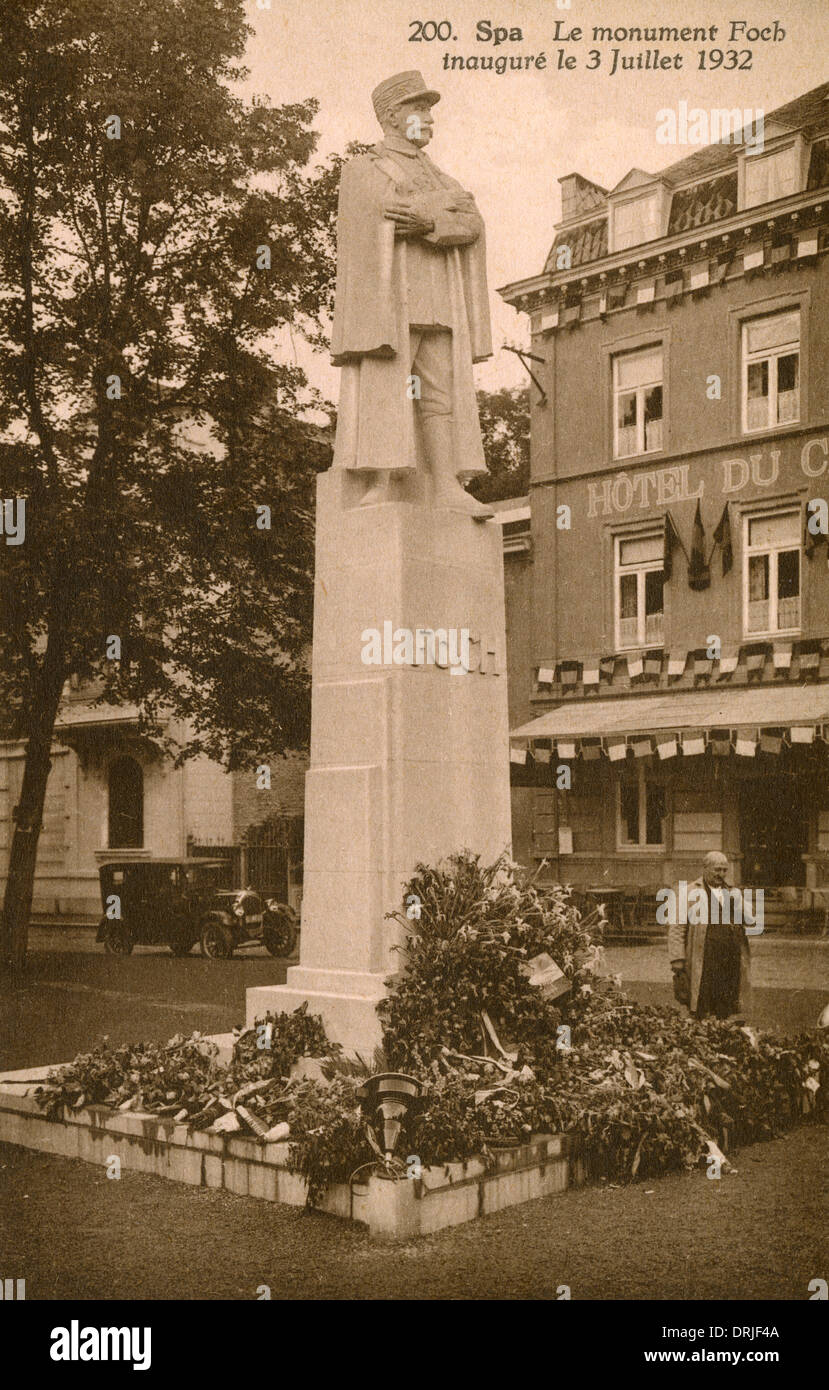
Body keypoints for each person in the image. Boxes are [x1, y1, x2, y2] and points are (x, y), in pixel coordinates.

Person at [330, 70, 493, 518]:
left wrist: (431, 223)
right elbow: (380, 215)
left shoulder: (442, 177)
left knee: (440, 394)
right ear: (391, 116)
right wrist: (441, 213)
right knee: (390, 387)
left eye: (429, 109)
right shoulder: (366, 168)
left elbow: (473, 222)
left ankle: (445, 483)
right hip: (391, 301)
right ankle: (383, 480)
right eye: (418, 109)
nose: (429, 118)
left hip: (439, 298)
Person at [667, 851, 751, 1020]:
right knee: (701, 1000)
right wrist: (677, 958)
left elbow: (749, 920)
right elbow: (677, 926)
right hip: (704, 955)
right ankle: (700, 1034)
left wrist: (738, 900)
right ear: (705, 868)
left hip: (729, 956)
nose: (721, 874)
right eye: (717, 869)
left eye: (724, 870)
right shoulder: (690, 891)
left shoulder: (732, 891)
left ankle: (721, 1031)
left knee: (726, 1001)